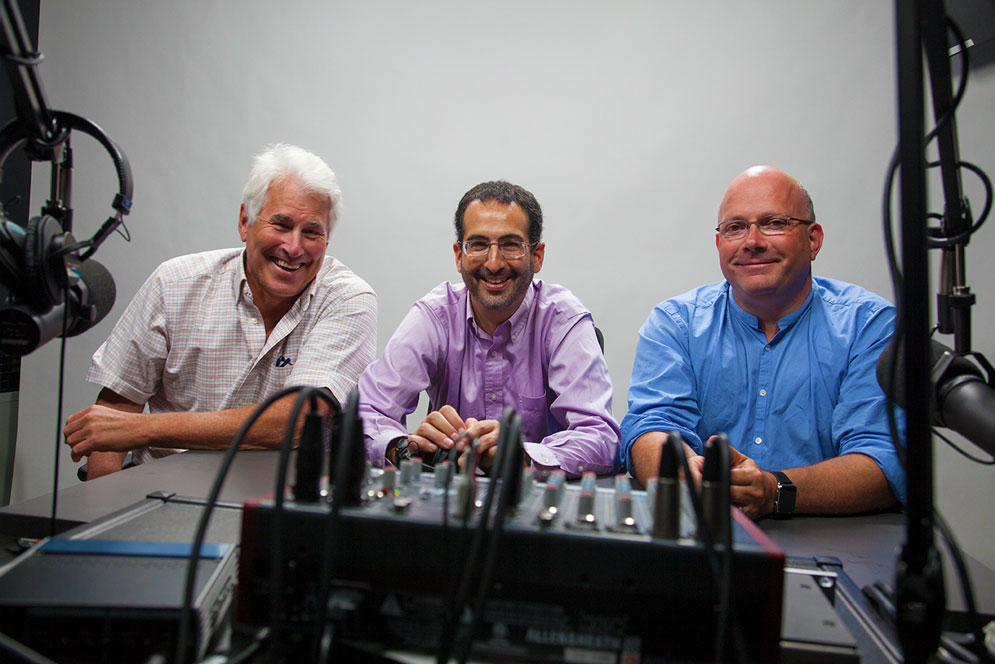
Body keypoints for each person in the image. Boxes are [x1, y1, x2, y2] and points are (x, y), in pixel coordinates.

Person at [64, 144, 377, 479]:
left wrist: (146, 429)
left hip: (283, 508)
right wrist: (103, 516)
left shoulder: (347, 299)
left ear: (327, 239)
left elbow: (297, 421)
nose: (294, 247)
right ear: (245, 221)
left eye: (312, 232)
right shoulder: (174, 284)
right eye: (282, 225)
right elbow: (117, 409)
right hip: (163, 495)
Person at [620, 165, 904, 518]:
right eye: (736, 228)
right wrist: (678, 472)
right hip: (703, 531)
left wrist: (774, 490)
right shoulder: (676, 324)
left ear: (813, 239)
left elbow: (882, 460)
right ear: (720, 243)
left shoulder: (869, 326)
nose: (752, 242)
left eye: (775, 223)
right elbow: (651, 425)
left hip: (833, 539)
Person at [359, 180, 619, 476]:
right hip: (447, 507)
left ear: (537, 255)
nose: (493, 263)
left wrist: (520, 456)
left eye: (510, 245)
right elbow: (366, 412)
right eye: (479, 245)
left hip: (535, 504)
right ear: (459, 255)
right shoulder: (435, 316)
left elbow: (602, 439)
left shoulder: (563, 320)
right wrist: (405, 449)